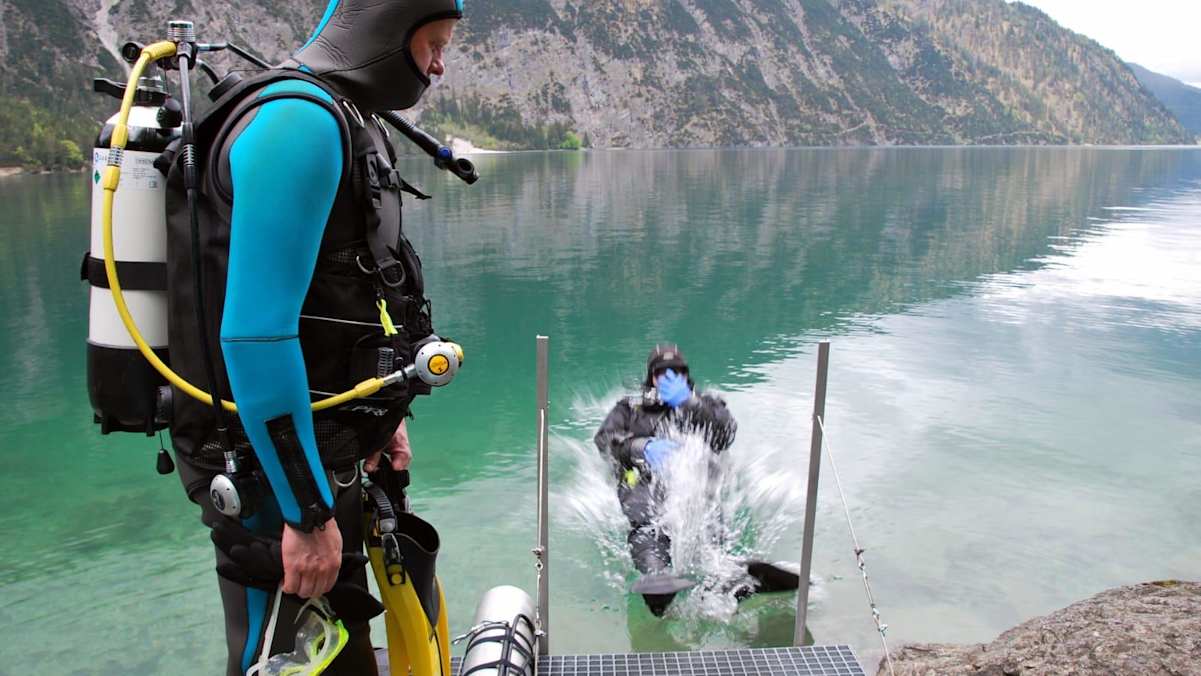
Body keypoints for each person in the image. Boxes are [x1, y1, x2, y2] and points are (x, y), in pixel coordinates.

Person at [163, 2, 464, 673]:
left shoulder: (338, 116)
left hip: (314, 454)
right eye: (434, 43)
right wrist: (303, 512)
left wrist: (378, 420)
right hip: (272, 480)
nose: (440, 65)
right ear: (386, 31)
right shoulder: (298, 122)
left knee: (348, 656)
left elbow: (335, 301)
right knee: (293, 660)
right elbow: (255, 335)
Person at [594, 343, 739, 615]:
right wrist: (640, 447)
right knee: (645, 516)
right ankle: (655, 573)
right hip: (644, 477)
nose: (670, 377)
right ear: (651, 376)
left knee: (709, 515)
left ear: (686, 375)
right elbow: (604, 441)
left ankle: (726, 576)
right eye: (662, 372)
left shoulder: (706, 404)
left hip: (694, 481)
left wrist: (690, 404)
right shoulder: (630, 408)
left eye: (677, 371)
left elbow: (725, 435)